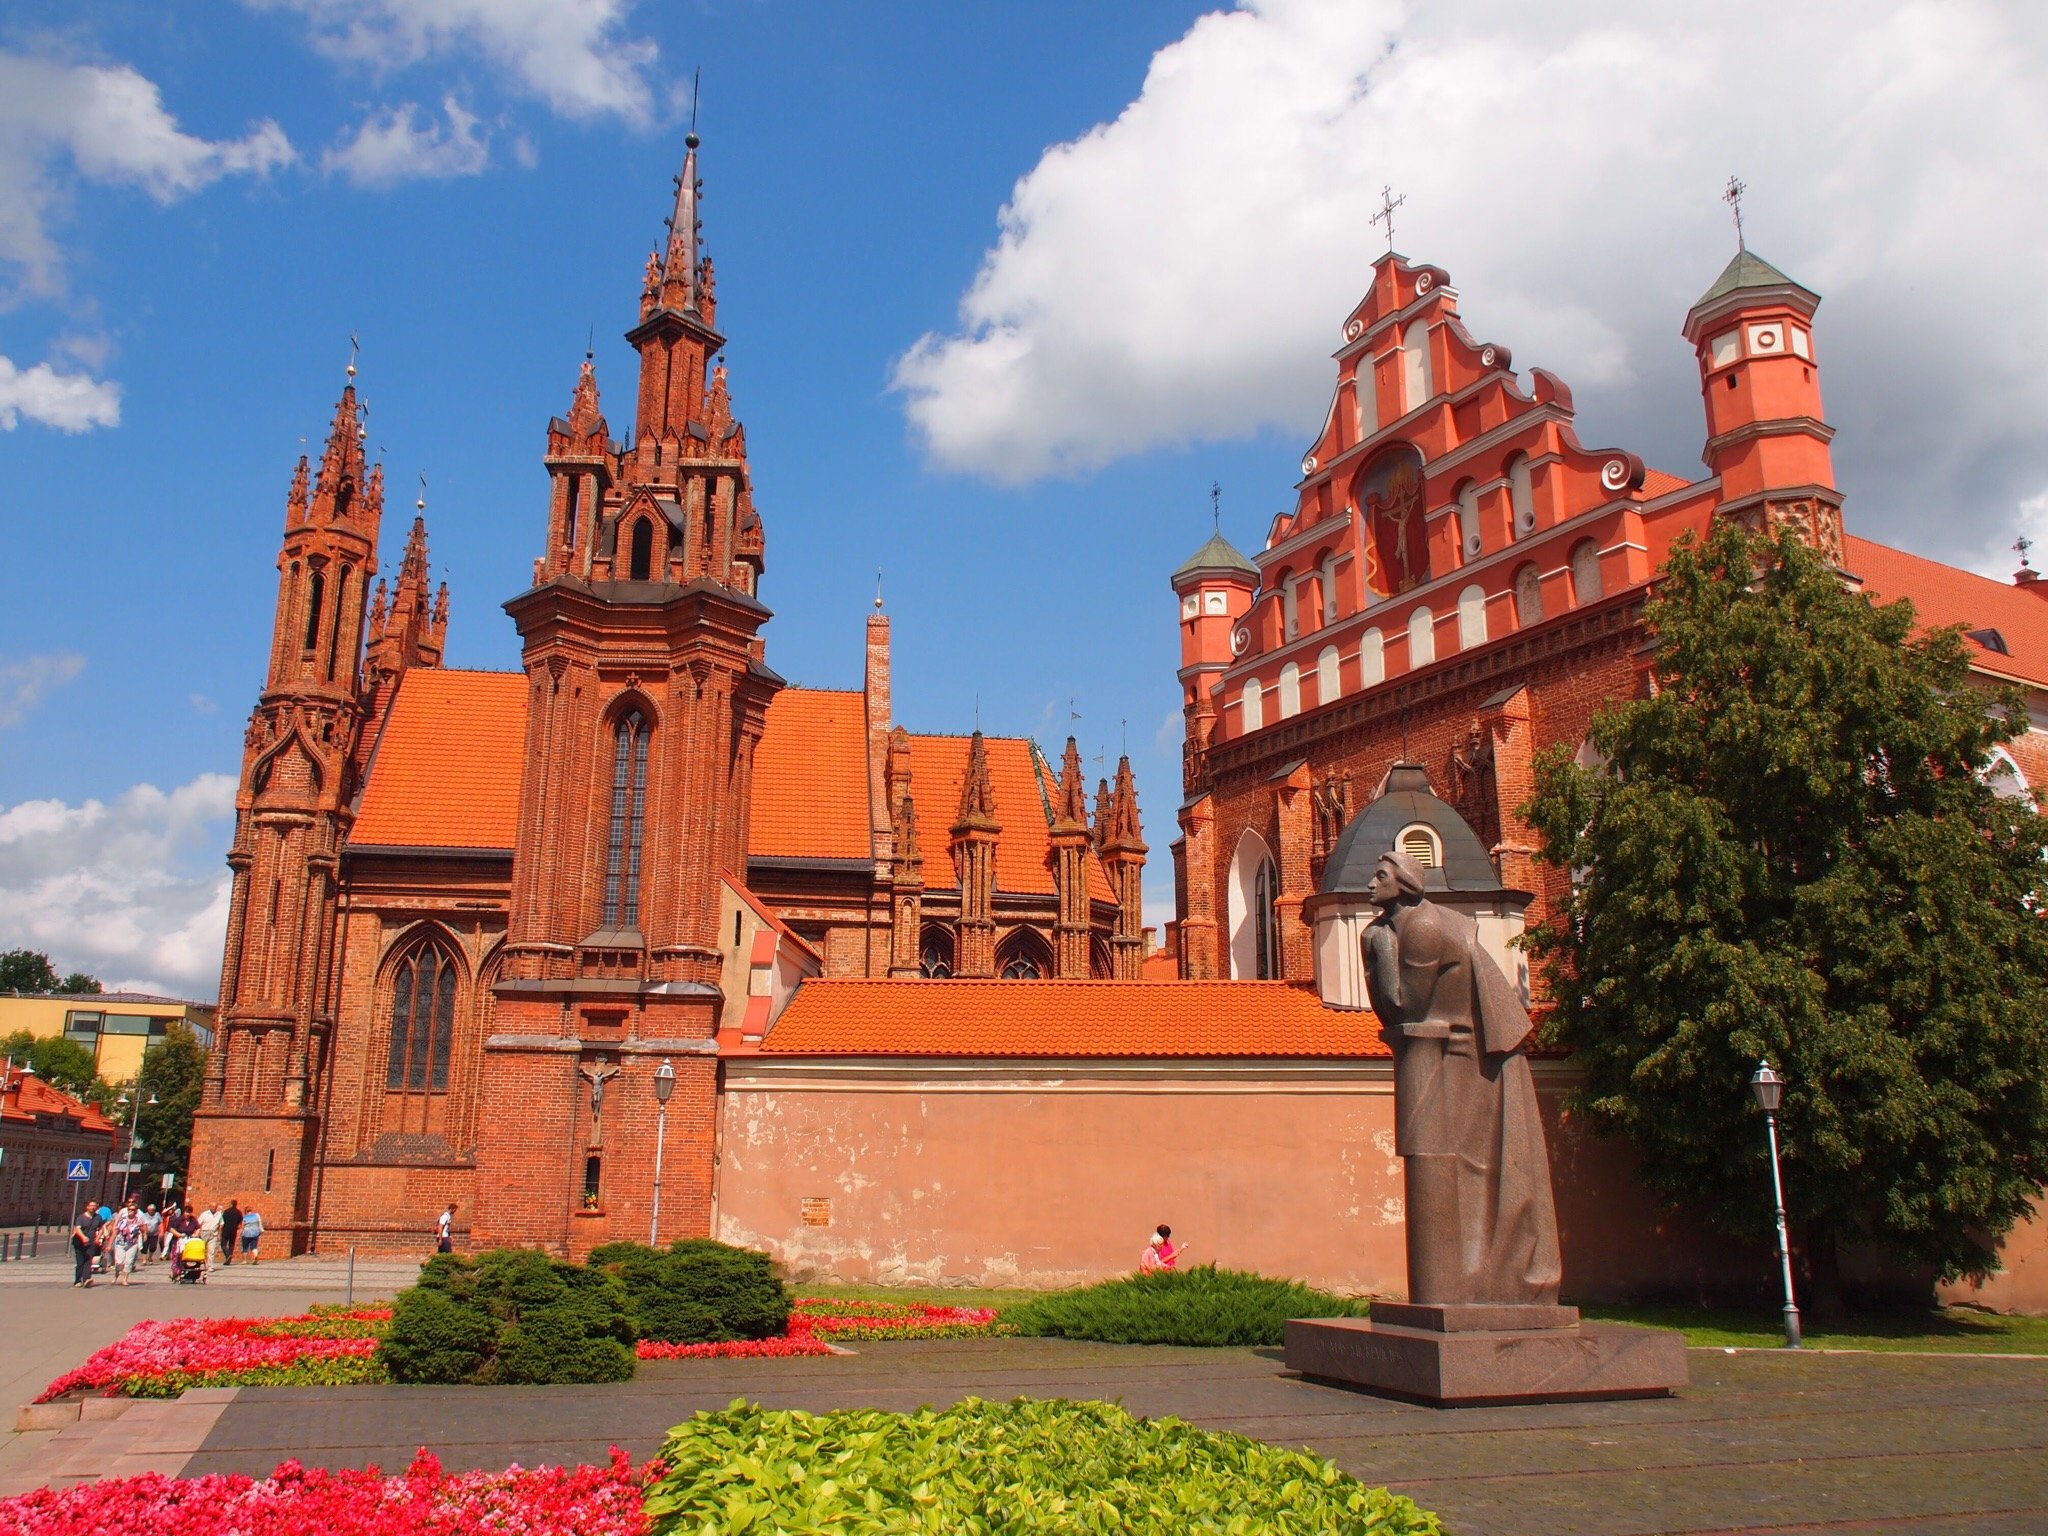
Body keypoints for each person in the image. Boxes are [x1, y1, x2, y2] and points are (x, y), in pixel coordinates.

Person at [109, 1201, 144, 1286]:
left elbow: (143, 1229)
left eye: (133, 1209)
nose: (130, 1211)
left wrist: (143, 1234)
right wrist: (109, 1244)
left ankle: (125, 1279)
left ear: (136, 1211)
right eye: (129, 1209)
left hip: (132, 1244)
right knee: (119, 1262)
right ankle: (116, 1275)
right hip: (120, 1243)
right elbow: (115, 1232)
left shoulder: (139, 1220)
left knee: (129, 1261)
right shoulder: (122, 1219)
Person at [70, 1204, 103, 1287]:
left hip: (91, 1242)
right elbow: (77, 1229)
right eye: (91, 1206)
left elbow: (102, 1227)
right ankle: (77, 1281)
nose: (93, 1207)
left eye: (95, 1206)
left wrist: (98, 1238)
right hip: (79, 1242)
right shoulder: (81, 1217)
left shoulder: (98, 1217)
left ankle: (86, 1279)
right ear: (87, 1207)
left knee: (88, 1261)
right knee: (80, 1262)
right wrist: (83, 1237)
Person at [196, 1203, 222, 1273]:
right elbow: (198, 1223)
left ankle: (210, 1266)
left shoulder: (219, 1215)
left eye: (215, 1207)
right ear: (209, 1207)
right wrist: (198, 1232)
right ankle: (200, 1264)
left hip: (213, 1233)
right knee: (202, 1249)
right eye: (212, 1206)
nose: (214, 1208)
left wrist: (219, 1234)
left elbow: (221, 1224)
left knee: (212, 1251)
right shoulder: (204, 1214)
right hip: (204, 1232)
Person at [220, 1201, 244, 1266]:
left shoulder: (226, 1211)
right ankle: (229, 1260)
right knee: (231, 1244)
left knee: (223, 1244)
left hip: (226, 1230)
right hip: (234, 1230)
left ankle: (228, 1255)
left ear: (230, 1204)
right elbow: (240, 1221)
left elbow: (222, 1220)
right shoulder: (239, 1212)